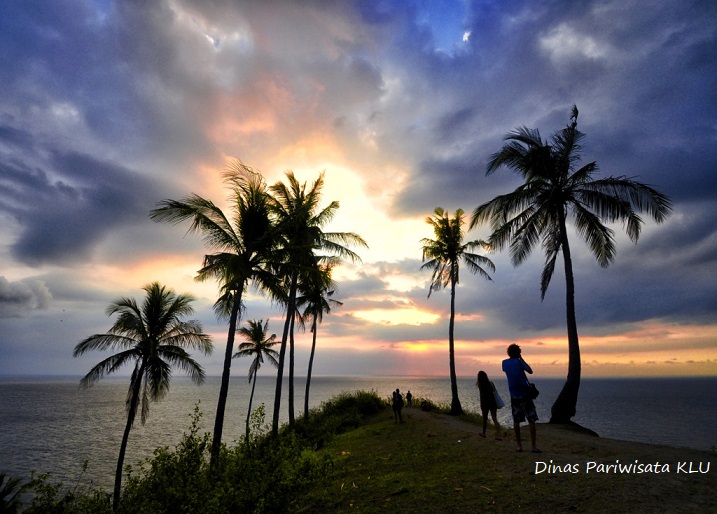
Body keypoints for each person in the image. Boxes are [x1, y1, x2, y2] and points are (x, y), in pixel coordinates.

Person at [502, 344, 540, 453]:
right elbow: (530, 370)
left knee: (516, 420)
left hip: (514, 395)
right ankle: (533, 446)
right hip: (525, 395)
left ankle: (519, 446)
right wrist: (521, 359)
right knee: (531, 419)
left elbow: (507, 371)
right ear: (518, 352)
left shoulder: (504, 363)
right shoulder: (519, 362)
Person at [476, 370, 502, 440]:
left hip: (484, 403)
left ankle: (484, 433)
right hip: (492, 403)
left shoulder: (480, 384)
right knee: (494, 419)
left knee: (484, 419)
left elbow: (482, 395)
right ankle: (498, 435)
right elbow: (494, 391)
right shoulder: (491, 383)